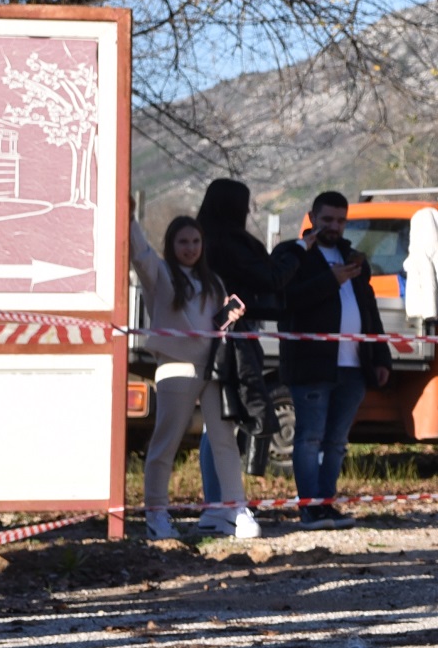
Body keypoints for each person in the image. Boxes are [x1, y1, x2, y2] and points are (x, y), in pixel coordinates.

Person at [129, 214, 259, 540]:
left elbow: (215, 326)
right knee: (166, 442)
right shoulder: (159, 273)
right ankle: (156, 512)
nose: (190, 248)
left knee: (224, 440)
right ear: (171, 245)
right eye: (183, 242)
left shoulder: (213, 281)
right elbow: (140, 253)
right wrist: (127, 215)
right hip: (176, 366)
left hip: (213, 369)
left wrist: (230, 315)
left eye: (195, 241)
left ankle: (234, 507)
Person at [270, 191, 393, 527]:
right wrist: (330, 280)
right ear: (312, 218)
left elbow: (369, 310)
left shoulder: (353, 258)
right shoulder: (292, 254)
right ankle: (310, 508)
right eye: (327, 220)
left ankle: (326, 504)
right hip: (311, 364)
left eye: (340, 220)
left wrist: (381, 357)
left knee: (337, 442)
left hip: (353, 366)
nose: (334, 226)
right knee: (309, 437)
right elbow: (284, 301)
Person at [193, 178, 279, 522]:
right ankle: (220, 503)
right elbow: (266, 278)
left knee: (218, 424)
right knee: (221, 424)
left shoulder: (202, 241)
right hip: (232, 338)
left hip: (217, 338)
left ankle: (220, 500)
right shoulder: (230, 245)